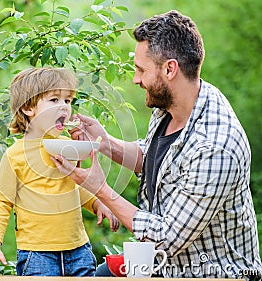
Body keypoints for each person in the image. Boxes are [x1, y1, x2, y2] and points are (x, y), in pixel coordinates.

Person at [51, 10, 262, 279]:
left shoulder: (215, 147)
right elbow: (154, 159)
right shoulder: (174, 105)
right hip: (166, 264)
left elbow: (167, 238)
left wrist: (99, 189)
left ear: (170, 69)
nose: (135, 79)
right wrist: (103, 143)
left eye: (141, 70)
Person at [0, 67, 119, 276]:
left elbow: (72, 185)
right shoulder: (15, 155)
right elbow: (1, 203)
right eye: (54, 100)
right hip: (37, 254)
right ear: (29, 108)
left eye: (67, 100)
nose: (64, 107)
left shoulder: (68, 147)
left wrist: (97, 202)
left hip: (78, 249)